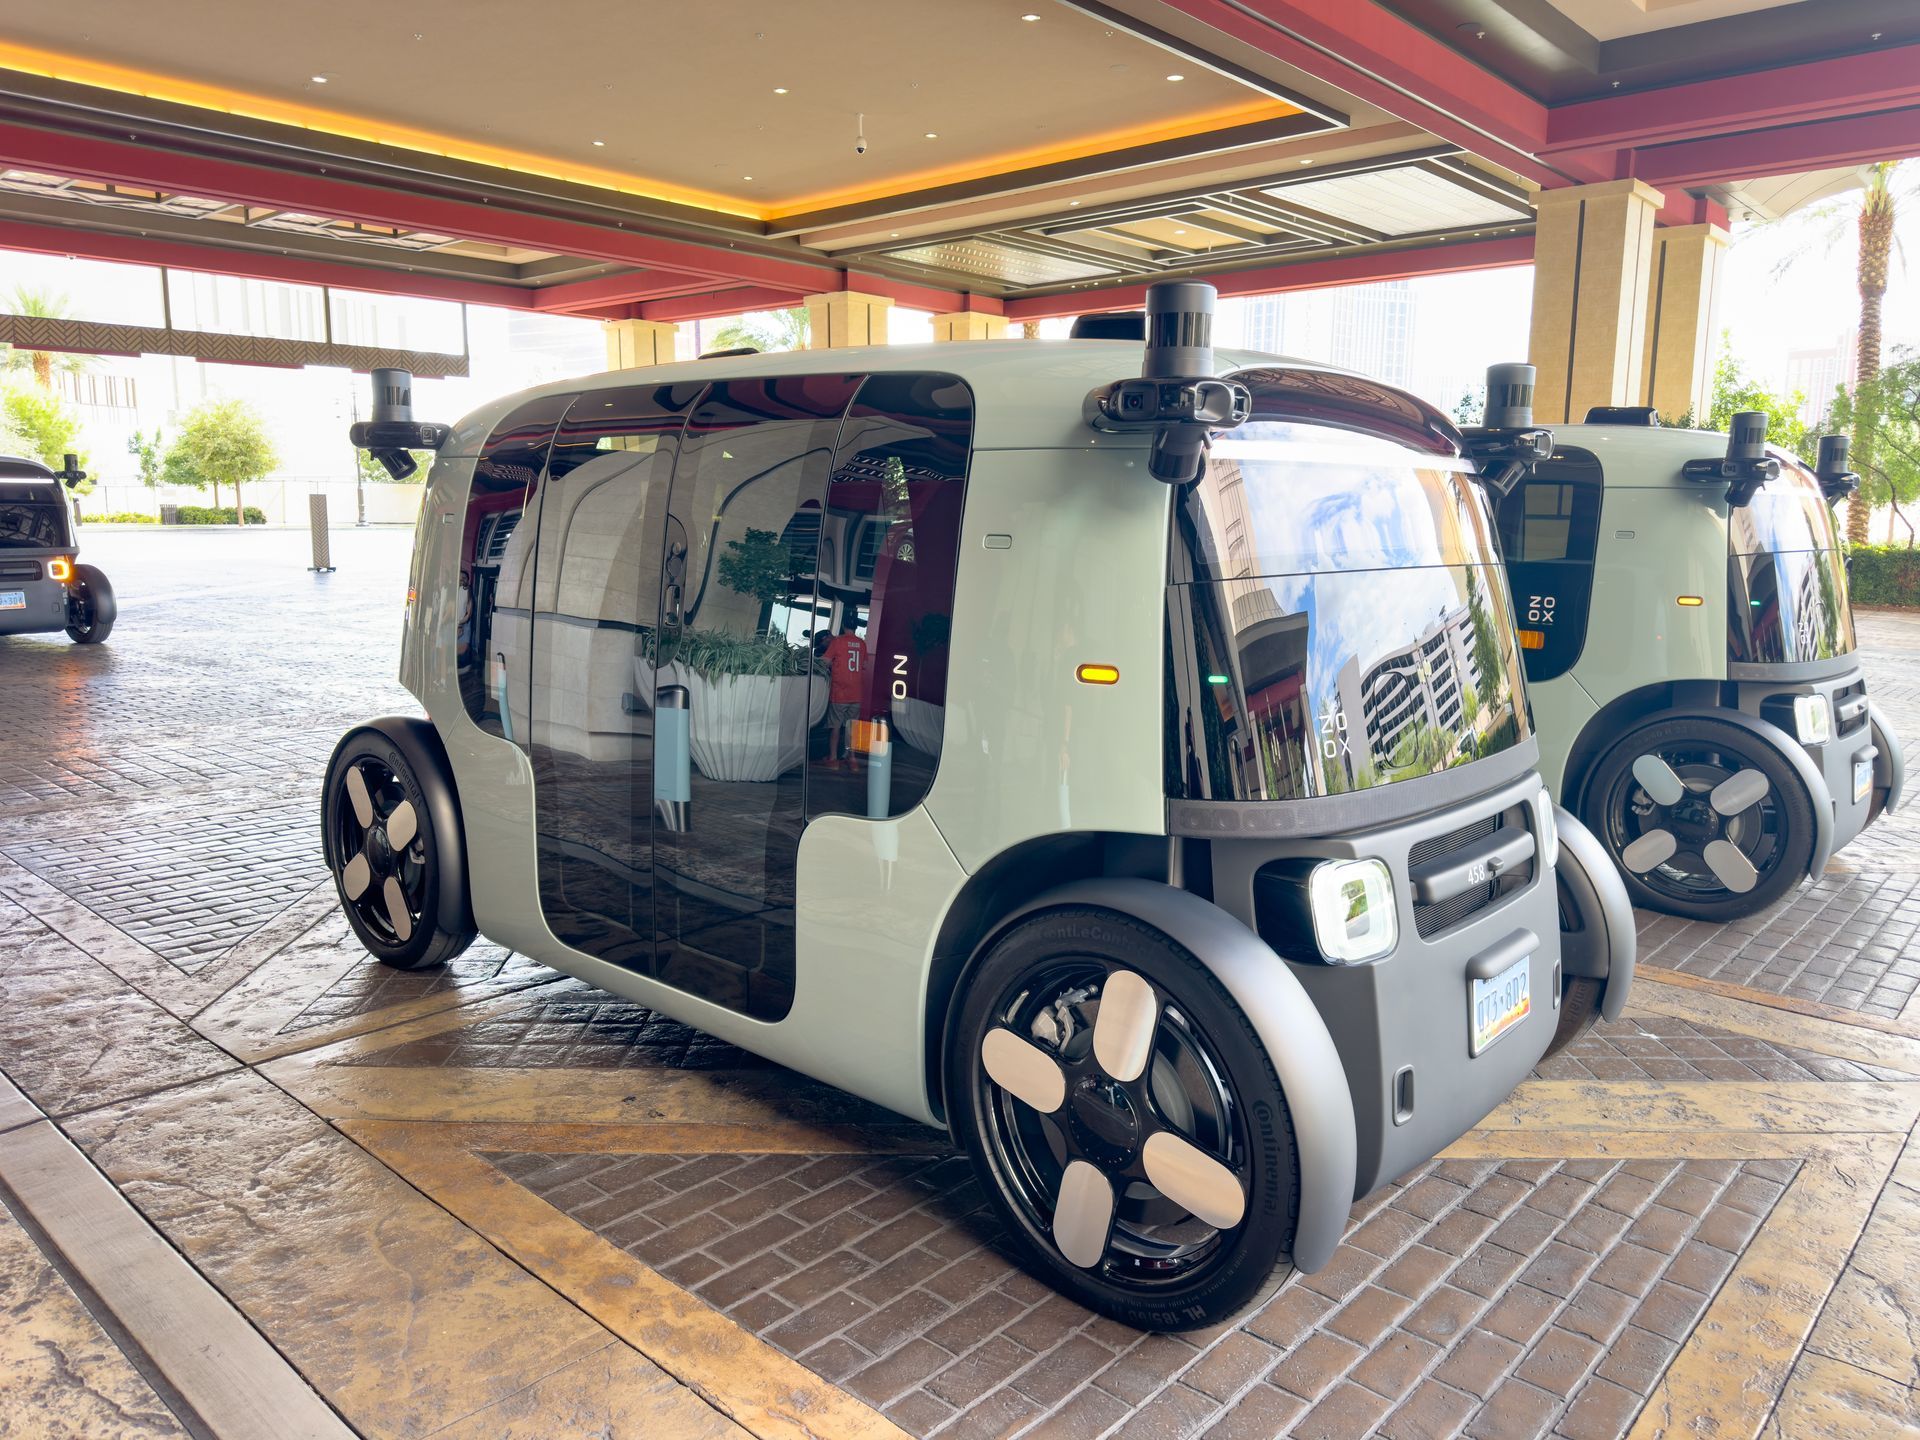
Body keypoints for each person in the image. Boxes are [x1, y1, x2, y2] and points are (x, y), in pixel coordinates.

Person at [822, 615, 869, 771]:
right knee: (852, 727)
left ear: (843, 625)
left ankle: (833, 759)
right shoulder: (862, 644)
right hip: (856, 692)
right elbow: (864, 665)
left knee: (835, 726)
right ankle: (852, 759)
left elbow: (825, 662)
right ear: (856, 627)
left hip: (840, 692)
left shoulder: (838, 641)